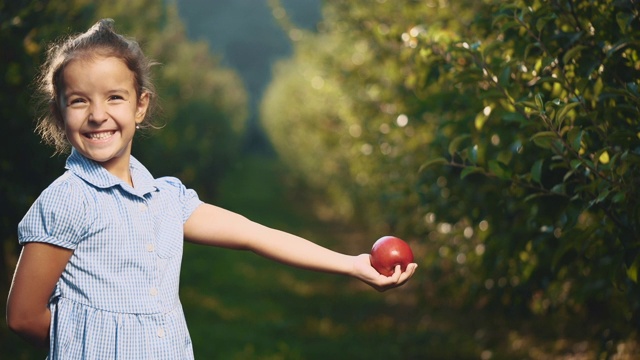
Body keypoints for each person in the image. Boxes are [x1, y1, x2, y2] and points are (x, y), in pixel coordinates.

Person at [6, 19, 417, 359]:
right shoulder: (68, 200)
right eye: (78, 101)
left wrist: (351, 263)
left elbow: (258, 235)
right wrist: (87, 348)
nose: (98, 115)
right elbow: (23, 317)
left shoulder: (165, 199)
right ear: (59, 112)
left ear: (140, 105)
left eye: (115, 97)